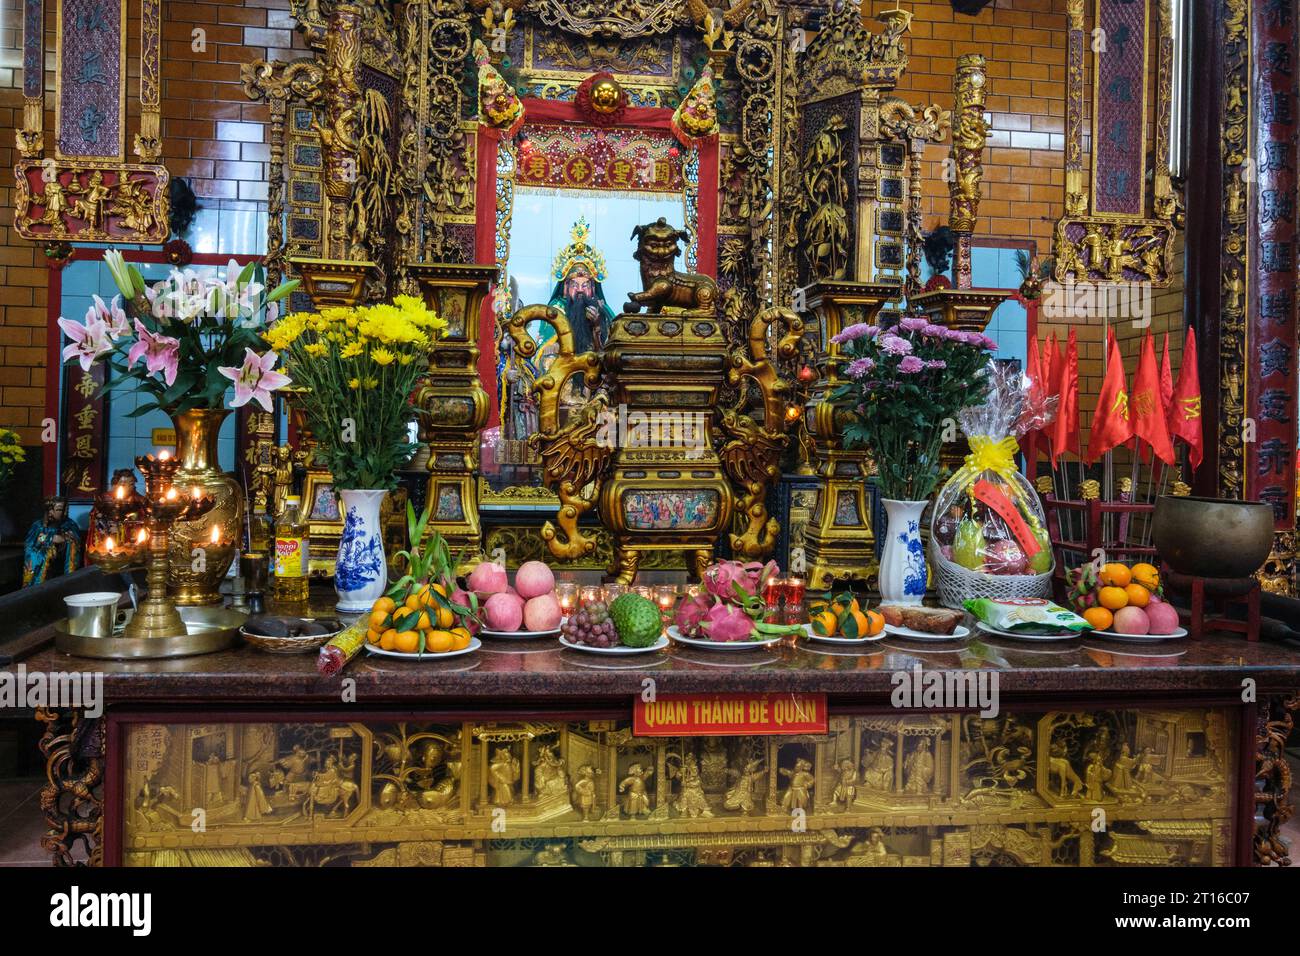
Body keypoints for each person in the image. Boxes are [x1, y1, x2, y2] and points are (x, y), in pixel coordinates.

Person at [545, 216, 616, 355]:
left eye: (585, 286)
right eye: (574, 285)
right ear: (565, 288)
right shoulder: (556, 308)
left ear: (593, 288)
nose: (579, 290)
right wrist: (556, 347)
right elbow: (545, 346)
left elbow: (611, 349)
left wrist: (596, 325)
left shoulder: (602, 309)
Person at [23, 495, 81, 586]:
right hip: (44, 568)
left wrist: (65, 539)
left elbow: (75, 540)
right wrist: (50, 538)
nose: (63, 513)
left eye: (64, 510)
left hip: (61, 565)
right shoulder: (38, 526)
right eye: (59, 510)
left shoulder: (70, 524)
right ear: (49, 510)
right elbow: (32, 544)